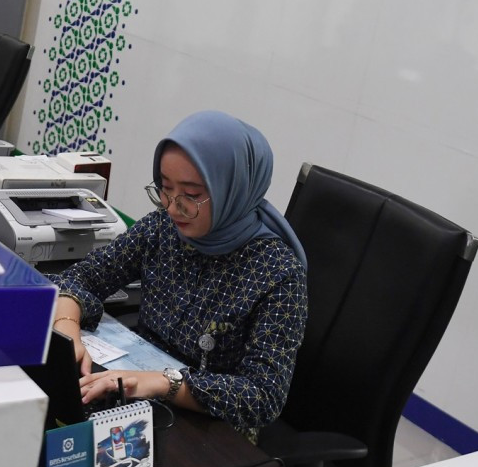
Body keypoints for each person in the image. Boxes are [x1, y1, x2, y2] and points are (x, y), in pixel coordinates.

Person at [50, 110, 308, 437]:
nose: (173, 207)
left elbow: (262, 396)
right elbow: (85, 275)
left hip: (210, 428)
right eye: (165, 188)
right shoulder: (164, 227)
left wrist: (164, 383)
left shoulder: (278, 274)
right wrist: (66, 327)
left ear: (234, 189)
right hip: (135, 393)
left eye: (191, 194)